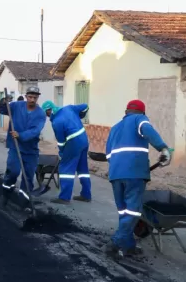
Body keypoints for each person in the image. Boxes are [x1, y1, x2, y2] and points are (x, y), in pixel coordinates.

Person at [104, 99, 172, 257]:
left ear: (126, 111)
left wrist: (119, 166)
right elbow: (147, 130)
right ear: (143, 112)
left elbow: (108, 154)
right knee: (133, 211)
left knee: (124, 211)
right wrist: (163, 148)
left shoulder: (114, 128)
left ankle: (128, 246)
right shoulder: (139, 119)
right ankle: (116, 242)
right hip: (134, 173)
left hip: (115, 174)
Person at [0, 86, 46, 205]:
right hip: (15, 147)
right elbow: (3, 110)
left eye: (35, 97)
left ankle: (24, 202)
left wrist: (21, 135)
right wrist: (4, 101)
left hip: (31, 150)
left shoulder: (40, 113)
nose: (32, 100)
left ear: (37, 98)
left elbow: (35, 130)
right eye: (30, 97)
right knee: (12, 172)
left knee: (28, 178)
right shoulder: (16, 106)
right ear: (26, 97)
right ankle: (5, 196)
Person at [42, 100, 91, 205]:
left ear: (49, 111)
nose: (46, 116)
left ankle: (64, 197)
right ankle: (86, 195)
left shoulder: (56, 122)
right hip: (84, 140)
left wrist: (62, 153)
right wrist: (80, 115)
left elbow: (61, 142)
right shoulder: (69, 108)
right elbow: (85, 106)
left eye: (46, 113)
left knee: (65, 169)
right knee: (83, 169)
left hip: (73, 143)